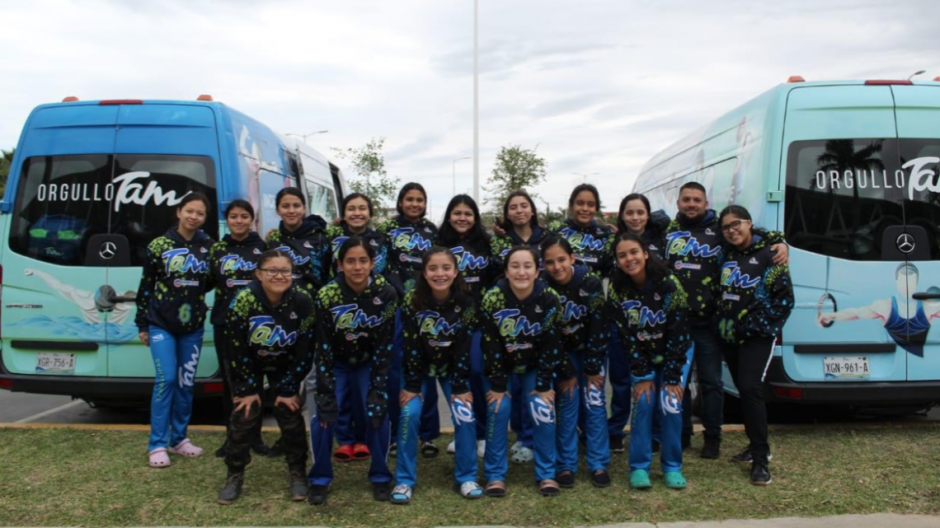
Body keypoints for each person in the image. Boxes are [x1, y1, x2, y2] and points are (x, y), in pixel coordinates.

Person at [663, 182, 788, 459]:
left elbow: (755, 235)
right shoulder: (669, 231)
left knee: (711, 383)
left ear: (706, 203)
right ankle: (683, 436)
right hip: (678, 323)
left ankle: (713, 439)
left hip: (709, 323)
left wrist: (782, 244)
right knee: (678, 382)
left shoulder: (720, 231)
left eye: (697, 199)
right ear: (678, 202)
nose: (691, 204)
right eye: (686, 199)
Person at [217, 250, 315, 504]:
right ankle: (234, 474)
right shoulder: (243, 299)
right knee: (244, 415)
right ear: (258, 274)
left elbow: (306, 349)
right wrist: (248, 388)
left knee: (289, 412)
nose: (279, 276)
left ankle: (297, 473)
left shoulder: (303, 301)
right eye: (272, 270)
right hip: (249, 363)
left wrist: (288, 388)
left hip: (286, 363)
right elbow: (234, 347)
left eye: (285, 271)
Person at [308, 237, 398, 505]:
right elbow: (321, 344)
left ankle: (381, 475)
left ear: (372, 263)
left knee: (377, 412)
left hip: (369, 362)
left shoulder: (387, 293)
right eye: (350, 261)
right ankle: (319, 478)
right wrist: (325, 389)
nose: (357, 267)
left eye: (363, 261)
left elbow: (385, 345)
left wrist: (378, 388)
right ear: (340, 264)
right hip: (335, 362)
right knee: (322, 416)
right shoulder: (327, 295)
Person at [392, 247, 484, 504]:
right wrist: (412, 384)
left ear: (455, 272)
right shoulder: (412, 300)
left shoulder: (466, 302)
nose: (439, 273)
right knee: (409, 415)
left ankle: (466, 476)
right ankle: (404, 480)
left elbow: (465, 346)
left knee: (465, 414)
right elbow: (409, 343)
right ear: (424, 272)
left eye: (446, 268)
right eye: (433, 268)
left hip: (452, 368)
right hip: (418, 368)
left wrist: (460, 385)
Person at [607, 232, 693, 490]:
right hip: (641, 354)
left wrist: (671, 376)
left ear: (645, 252)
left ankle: (672, 467)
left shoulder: (668, 283)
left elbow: (679, 332)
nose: (629, 258)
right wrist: (642, 375)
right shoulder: (617, 289)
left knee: (670, 404)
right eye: (622, 255)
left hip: (674, 352)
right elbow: (626, 336)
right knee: (643, 403)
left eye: (633, 252)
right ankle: (639, 467)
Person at [136, 192, 215, 468]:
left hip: (192, 327)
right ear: (178, 212)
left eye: (200, 213)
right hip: (161, 324)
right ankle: (157, 444)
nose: (194, 217)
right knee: (166, 379)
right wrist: (142, 323)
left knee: (185, 384)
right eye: (189, 211)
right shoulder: (159, 245)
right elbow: (146, 286)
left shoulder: (209, 247)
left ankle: (179, 439)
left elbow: (211, 281)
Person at [716, 205, 793, 486]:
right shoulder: (726, 254)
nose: (731, 230)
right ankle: (753, 446)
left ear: (749, 224)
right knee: (743, 390)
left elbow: (784, 301)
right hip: (729, 335)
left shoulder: (770, 254)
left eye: (736, 224)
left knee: (750, 388)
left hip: (756, 337)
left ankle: (761, 459)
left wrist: (754, 328)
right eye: (726, 227)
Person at [480, 247, 565, 497]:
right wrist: (497, 384)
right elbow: (490, 342)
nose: (521, 271)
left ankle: (547, 473)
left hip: (534, 364)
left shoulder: (549, 297)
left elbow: (552, 343)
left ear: (537, 271)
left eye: (527, 266)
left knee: (542, 407)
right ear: (506, 271)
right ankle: (495, 475)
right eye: (514, 266)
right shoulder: (492, 298)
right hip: (502, 365)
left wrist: (543, 383)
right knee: (498, 408)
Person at [541, 237, 611, 488]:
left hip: (591, 349)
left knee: (594, 402)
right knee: (568, 404)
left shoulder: (589, 281)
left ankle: (599, 463)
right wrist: (565, 370)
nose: (556, 266)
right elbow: (548, 334)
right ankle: (566, 464)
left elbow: (598, 324)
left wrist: (593, 367)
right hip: (562, 354)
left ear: (572, 258)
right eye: (549, 262)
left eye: (561, 259)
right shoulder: (542, 286)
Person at [325, 192, 389, 462]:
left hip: (371, 304)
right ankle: (345, 439)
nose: (357, 213)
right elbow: (321, 268)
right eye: (351, 208)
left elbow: (383, 269)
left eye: (362, 208)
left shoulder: (380, 239)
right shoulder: (330, 236)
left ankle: (362, 439)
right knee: (340, 393)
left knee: (367, 393)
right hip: (338, 305)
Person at [266, 187, 330, 457]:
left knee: (314, 379)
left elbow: (326, 273)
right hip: (280, 317)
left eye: (296, 205)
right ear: (278, 209)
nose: (291, 210)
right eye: (285, 206)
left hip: (313, 315)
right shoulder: (272, 238)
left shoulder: (319, 236)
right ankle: (288, 436)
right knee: (283, 379)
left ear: (304, 208)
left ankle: (319, 434)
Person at [377, 183, 440, 455]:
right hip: (397, 307)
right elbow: (377, 262)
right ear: (400, 202)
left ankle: (427, 435)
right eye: (409, 199)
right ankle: (393, 434)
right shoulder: (386, 230)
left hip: (426, 307)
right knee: (395, 371)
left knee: (427, 369)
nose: (414, 204)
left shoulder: (432, 231)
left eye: (419, 199)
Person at [208, 200, 269, 458]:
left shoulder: (263, 248)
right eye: (234, 216)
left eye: (244, 216)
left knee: (255, 379)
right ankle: (232, 437)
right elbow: (208, 281)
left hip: (257, 323)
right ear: (228, 219)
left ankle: (255, 436)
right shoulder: (218, 249)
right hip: (225, 322)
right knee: (230, 382)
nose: (239, 221)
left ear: (252, 219)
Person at [436, 194, 495, 458]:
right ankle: (464, 432)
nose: (462, 218)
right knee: (453, 378)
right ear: (449, 216)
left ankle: (482, 434)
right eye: (457, 213)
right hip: (447, 321)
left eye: (468, 213)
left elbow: (495, 282)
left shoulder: (487, 244)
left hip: (480, 321)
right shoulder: (439, 245)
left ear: (475, 217)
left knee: (476, 373)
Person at [489, 190, 543, 462]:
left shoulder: (546, 237)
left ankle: (532, 439)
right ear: (507, 213)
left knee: (535, 383)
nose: (519, 210)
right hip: (509, 317)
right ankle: (521, 436)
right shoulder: (500, 241)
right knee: (515, 385)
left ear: (532, 210)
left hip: (539, 312)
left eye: (524, 205)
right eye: (513, 207)